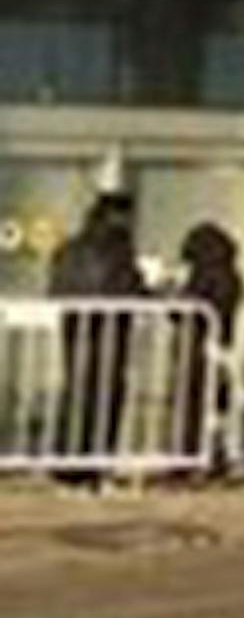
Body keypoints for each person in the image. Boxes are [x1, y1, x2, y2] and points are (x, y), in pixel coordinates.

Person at [48, 192, 147, 484]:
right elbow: (128, 286)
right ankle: (94, 463)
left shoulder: (70, 247)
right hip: (109, 331)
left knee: (76, 393)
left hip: (75, 327)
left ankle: (66, 462)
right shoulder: (117, 248)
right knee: (105, 397)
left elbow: (56, 286)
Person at [175, 222, 243, 469]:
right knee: (215, 403)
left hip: (201, 345)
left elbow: (187, 308)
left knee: (197, 403)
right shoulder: (230, 274)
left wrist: (173, 296)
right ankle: (214, 454)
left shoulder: (205, 275)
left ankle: (195, 456)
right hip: (221, 345)